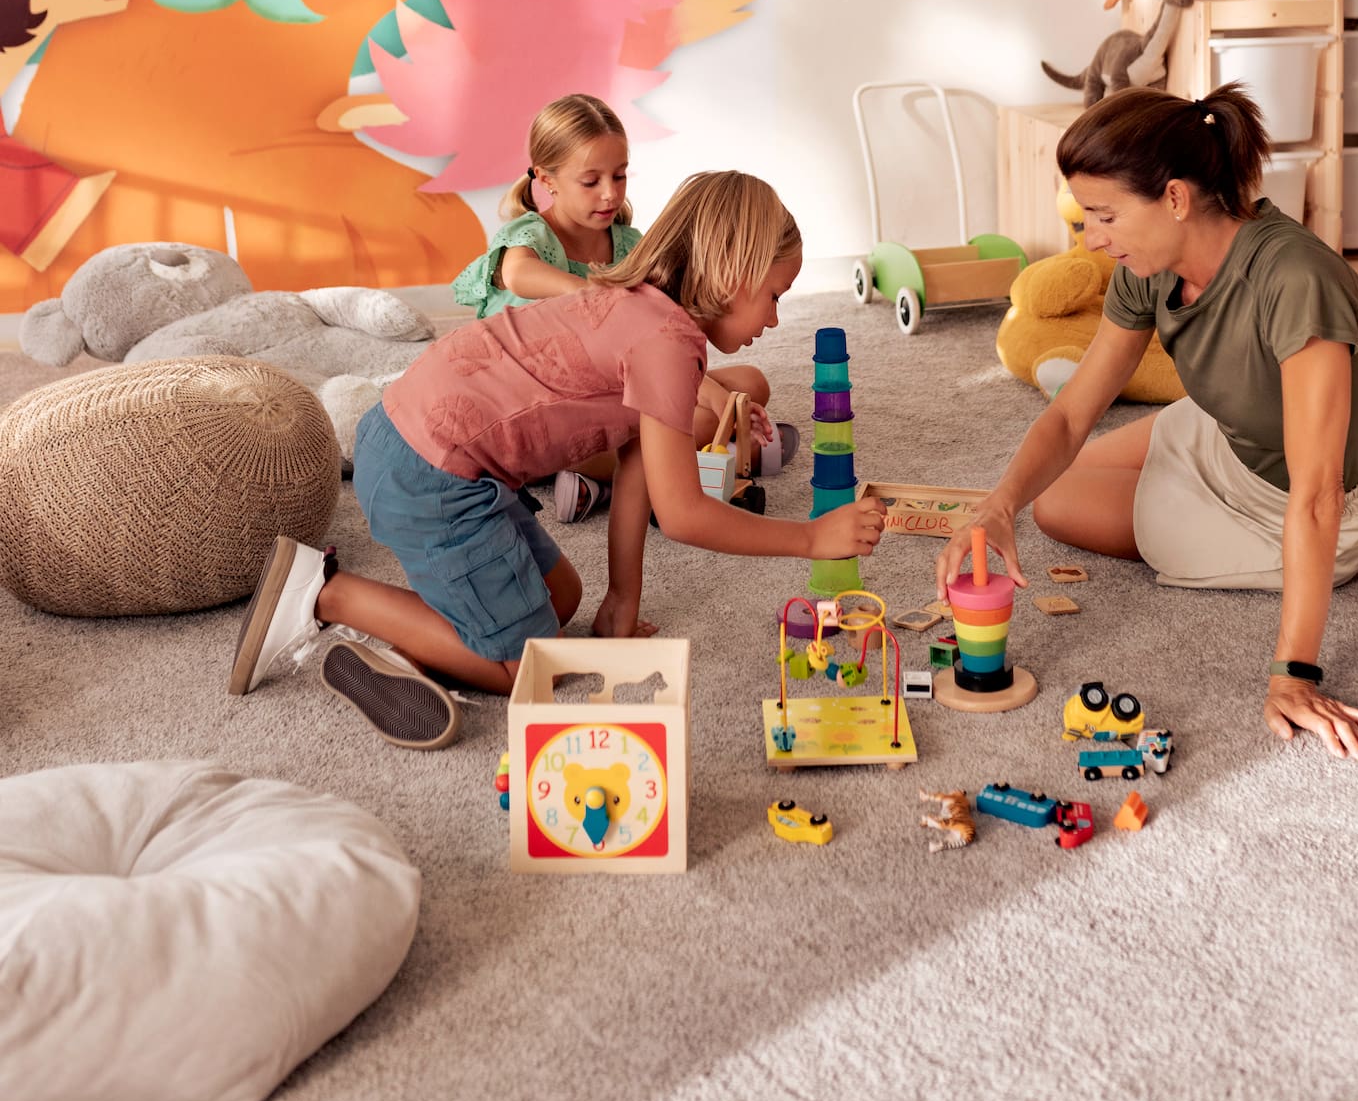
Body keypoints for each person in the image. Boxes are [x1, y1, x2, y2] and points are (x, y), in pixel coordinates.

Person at [229, 170, 884, 746]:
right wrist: (810, 538)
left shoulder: (637, 307)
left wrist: (622, 598)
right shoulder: (667, 344)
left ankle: (420, 644)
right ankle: (326, 593)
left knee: (561, 597)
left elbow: (636, 469)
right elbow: (683, 515)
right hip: (428, 472)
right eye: (773, 295)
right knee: (530, 670)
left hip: (426, 447)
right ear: (730, 273)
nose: (773, 318)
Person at [937, 82, 1358, 762]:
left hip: (1294, 498)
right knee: (1044, 486)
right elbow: (1070, 419)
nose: (1092, 239)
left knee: (1059, 505)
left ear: (1176, 198)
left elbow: (1319, 493)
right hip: (1226, 427)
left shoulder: (1296, 280)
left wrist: (1293, 673)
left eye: (1104, 216)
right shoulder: (1149, 265)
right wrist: (997, 505)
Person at [451, 95, 796, 520]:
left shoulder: (628, 243)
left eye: (620, 176)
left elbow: (663, 341)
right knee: (695, 423)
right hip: (545, 413)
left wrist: (717, 395)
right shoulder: (530, 234)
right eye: (591, 181)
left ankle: (623, 480)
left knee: (748, 384)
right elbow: (520, 275)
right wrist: (600, 297)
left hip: (612, 392)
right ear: (547, 179)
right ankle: (656, 472)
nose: (610, 194)